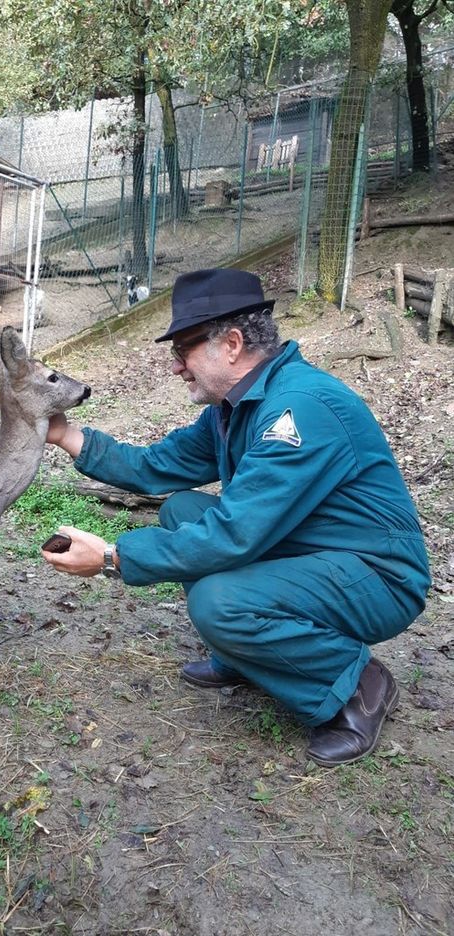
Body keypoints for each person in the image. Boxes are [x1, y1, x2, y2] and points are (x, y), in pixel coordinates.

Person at [42, 267, 430, 767]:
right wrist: (66, 435)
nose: (176, 367)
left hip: (377, 575)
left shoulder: (299, 409)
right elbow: (157, 465)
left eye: (182, 349)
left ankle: (357, 684)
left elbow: (234, 534)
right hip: (314, 551)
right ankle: (250, 658)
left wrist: (114, 557)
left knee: (218, 602)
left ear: (231, 342)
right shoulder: (236, 406)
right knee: (183, 509)